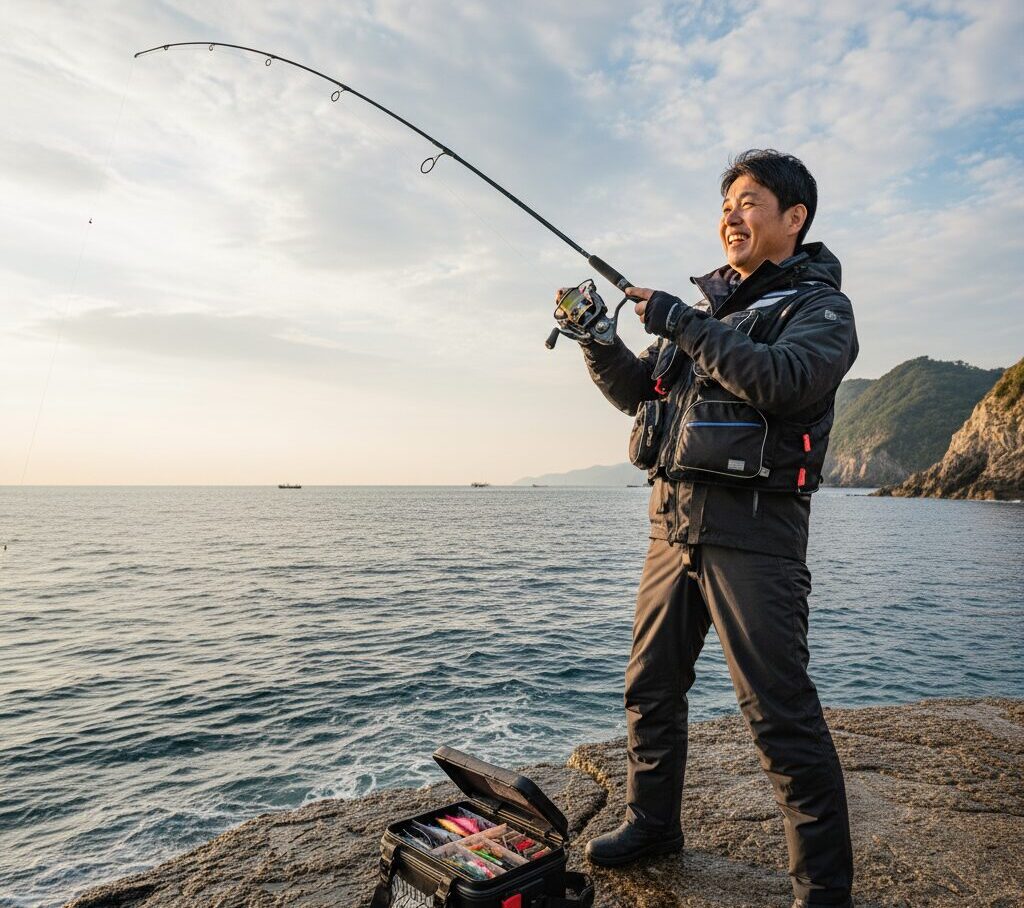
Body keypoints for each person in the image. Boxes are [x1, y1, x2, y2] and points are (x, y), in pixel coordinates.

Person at [568, 149, 857, 908]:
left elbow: (784, 382)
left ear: (794, 219)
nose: (731, 214)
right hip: (671, 530)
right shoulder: (711, 313)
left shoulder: (821, 310)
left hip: (755, 536)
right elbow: (643, 392)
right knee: (650, 689)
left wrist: (682, 319)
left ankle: (824, 889)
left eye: (750, 200)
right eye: (727, 202)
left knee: (778, 713)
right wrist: (599, 339)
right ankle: (652, 825)